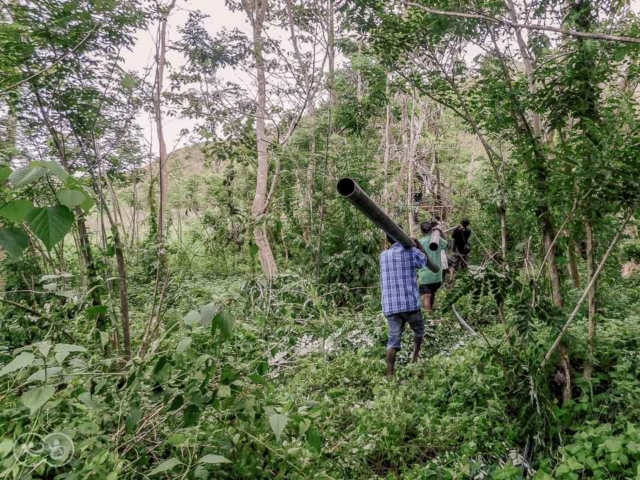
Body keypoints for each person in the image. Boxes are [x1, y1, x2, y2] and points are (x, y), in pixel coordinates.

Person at [380, 234, 429, 376]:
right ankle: (414, 357)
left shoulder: (383, 256)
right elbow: (424, 262)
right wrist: (418, 245)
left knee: (393, 340)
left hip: (391, 305)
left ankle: (389, 374)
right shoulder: (411, 252)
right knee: (419, 330)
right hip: (410, 304)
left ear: (388, 240)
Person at [417, 221, 447, 313]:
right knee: (432, 293)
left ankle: (428, 316)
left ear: (421, 231)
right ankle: (431, 311)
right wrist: (439, 232)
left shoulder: (419, 242)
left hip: (425, 276)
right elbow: (446, 244)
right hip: (437, 276)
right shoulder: (437, 240)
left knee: (426, 297)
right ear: (431, 229)